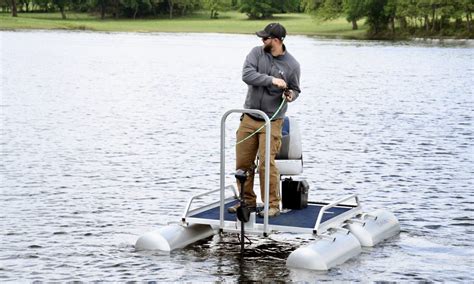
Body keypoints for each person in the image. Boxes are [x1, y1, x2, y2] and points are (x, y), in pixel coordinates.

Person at [228, 23, 301, 217]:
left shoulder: (292, 65)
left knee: (265, 164)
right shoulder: (256, 53)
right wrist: (272, 80)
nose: (262, 41)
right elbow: (247, 75)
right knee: (243, 163)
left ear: (276, 41)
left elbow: (295, 89)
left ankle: (272, 205)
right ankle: (247, 202)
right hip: (249, 118)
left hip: (272, 121)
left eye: (265, 38)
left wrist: (290, 95)